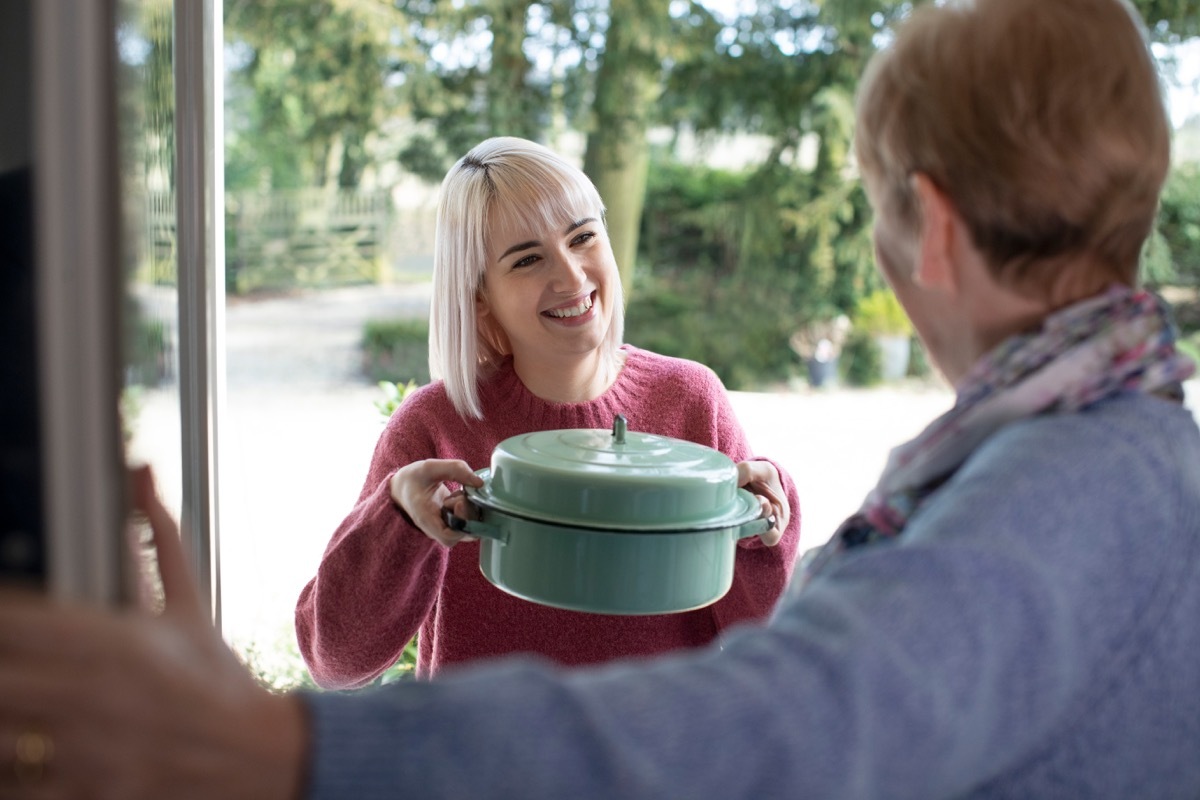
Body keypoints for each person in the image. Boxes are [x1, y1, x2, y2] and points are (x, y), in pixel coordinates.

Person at [2, 0, 1200, 796]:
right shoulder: (1122, 448)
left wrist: (267, 747)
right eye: (527, 259)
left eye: (878, 201)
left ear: (929, 227)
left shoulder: (1051, 488)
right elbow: (341, 647)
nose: (571, 276)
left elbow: (792, 711)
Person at [294, 137, 800, 686]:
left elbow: (762, 637)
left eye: (582, 237)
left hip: (662, 765)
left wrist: (765, 525)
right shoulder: (434, 427)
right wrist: (396, 517)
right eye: (528, 259)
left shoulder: (690, 399)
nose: (571, 276)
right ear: (480, 297)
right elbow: (336, 661)